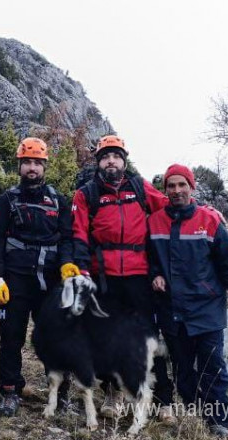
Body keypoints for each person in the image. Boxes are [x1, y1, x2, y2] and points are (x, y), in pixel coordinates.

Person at [63, 134, 176, 422]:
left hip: (139, 275)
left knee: (149, 335)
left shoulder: (139, 187)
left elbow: (170, 206)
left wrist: (204, 210)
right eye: (105, 156)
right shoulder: (86, 194)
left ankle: (163, 400)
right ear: (98, 162)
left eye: (116, 156)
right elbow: (78, 233)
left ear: (124, 161)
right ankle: (114, 394)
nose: (110, 161)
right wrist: (82, 270)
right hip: (104, 277)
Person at [148, 164, 228, 438]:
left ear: (192, 188)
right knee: (182, 371)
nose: (177, 190)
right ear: (165, 190)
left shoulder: (209, 220)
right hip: (171, 310)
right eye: (171, 186)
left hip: (206, 308)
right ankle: (195, 413)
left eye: (182, 185)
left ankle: (220, 422)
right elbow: (149, 259)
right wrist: (155, 275)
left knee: (212, 366)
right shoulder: (154, 221)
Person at [0, 138, 73, 417]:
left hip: (49, 283)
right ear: (20, 165)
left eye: (37, 162)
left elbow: (68, 239)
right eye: (27, 162)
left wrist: (68, 266)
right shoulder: (6, 199)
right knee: (11, 337)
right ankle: (10, 391)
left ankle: (60, 394)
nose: (32, 168)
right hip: (15, 281)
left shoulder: (58, 201)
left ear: (44, 166)